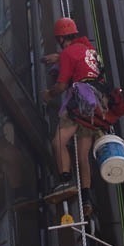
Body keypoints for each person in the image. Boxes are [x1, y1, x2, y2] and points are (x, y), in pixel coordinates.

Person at [40, 17, 107, 217]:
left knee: (58, 142)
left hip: (79, 101)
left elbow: (61, 86)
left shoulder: (68, 53)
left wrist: (49, 94)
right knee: (83, 155)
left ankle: (65, 181)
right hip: (96, 105)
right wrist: (59, 58)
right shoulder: (92, 52)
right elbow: (85, 65)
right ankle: (86, 200)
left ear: (60, 38)